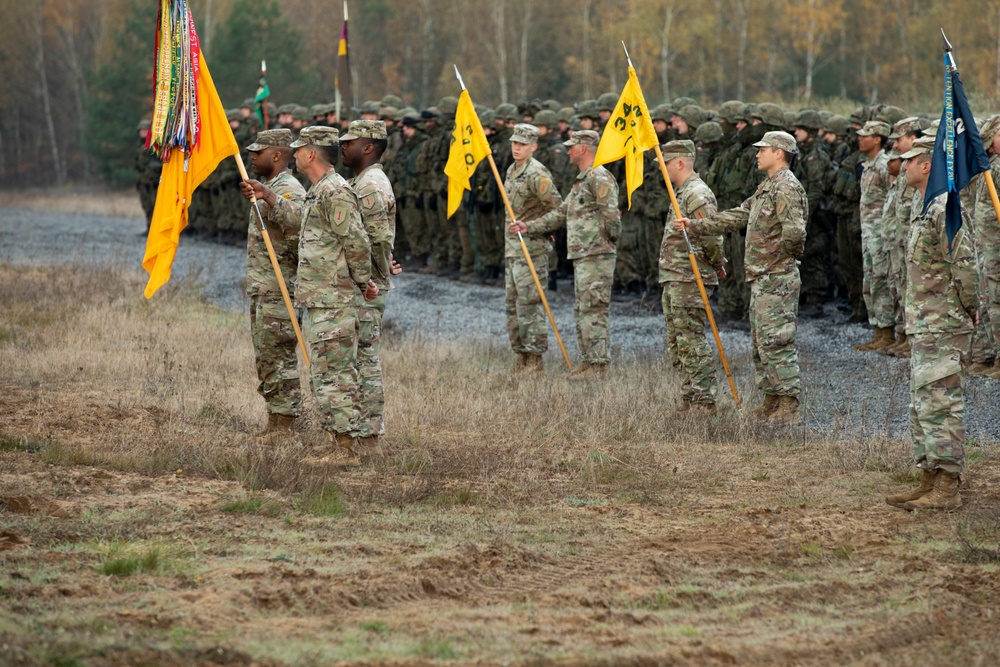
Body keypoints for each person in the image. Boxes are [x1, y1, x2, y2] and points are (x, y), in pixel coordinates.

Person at [241, 126, 375, 463]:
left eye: (299, 149)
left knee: (336, 373)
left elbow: (356, 241)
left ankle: (346, 447)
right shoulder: (319, 190)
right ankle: (338, 441)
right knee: (325, 373)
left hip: (333, 297)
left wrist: (364, 282)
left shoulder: (335, 191)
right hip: (318, 296)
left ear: (311, 154)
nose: (294, 154)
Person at [676, 131, 807, 424]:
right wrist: (697, 226)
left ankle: (788, 404)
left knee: (778, 339)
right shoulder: (767, 187)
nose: (757, 154)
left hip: (776, 275)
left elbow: (795, 232)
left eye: (763, 150)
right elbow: (737, 215)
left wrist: (780, 259)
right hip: (763, 276)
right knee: (762, 340)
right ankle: (772, 398)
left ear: (779, 153)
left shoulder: (785, 186)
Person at [885, 136, 978, 510]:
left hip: (944, 323)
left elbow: (965, 263)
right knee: (922, 403)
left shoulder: (945, 207)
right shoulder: (922, 205)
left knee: (941, 402)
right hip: (924, 322)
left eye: (910, 161)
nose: (903, 165)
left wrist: (968, 307)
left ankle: (948, 486)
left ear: (928, 165)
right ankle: (929, 475)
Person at [512, 130, 620, 379]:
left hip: (597, 254)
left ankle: (597, 365)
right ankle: (588, 360)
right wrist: (530, 226)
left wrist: (602, 244)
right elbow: (561, 213)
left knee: (594, 308)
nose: (568, 151)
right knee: (583, 308)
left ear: (584, 149)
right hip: (584, 254)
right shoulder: (583, 180)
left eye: (572, 147)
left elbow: (612, 218)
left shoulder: (600, 177)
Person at [239, 129, 307, 437]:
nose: (252, 157)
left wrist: (269, 197)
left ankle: (286, 425)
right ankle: (275, 421)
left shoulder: (288, 187)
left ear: (277, 155)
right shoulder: (269, 186)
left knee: (279, 356)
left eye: (259, 152)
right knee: (267, 356)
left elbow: (300, 220)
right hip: (264, 288)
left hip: (280, 290)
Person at [657, 140, 724, 413]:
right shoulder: (680, 192)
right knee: (678, 340)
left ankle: (705, 400)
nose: (662, 169)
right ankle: (689, 395)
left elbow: (710, 234)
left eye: (666, 163)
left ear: (680, 163)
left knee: (691, 339)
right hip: (675, 275)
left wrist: (717, 263)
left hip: (690, 277)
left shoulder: (696, 193)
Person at [340, 120, 396, 447]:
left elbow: (375, 239)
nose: (343, 147)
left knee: (364, 358)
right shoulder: (364, 181)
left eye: (350, 142)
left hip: (368, 286)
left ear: (369, 147)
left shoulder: (371, 185)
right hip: (369, 281)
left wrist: (371, 277)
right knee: (360, 355)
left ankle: (369, 434)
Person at [501, 123, 563, 373]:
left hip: (532, 249)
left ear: (534, 147)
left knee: (530, 304)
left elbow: (559, 210)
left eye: (522, 145)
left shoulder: (538, 174)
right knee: (512, 305)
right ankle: (520, 354)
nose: (517, 148)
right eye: (514, 143)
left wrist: (533, 226)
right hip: (512, 249)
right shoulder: (510, 170)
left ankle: (535, 358)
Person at [854, 120, 894, 352]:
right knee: (870, 281)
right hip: (869, 233)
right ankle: (878, 329)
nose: (860, 138)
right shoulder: (869, 165)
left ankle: (888, 331)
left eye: (865, 135)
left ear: (878, 139)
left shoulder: (884, 165)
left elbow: (894, 198)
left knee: (881, 280)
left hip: (881, 233)